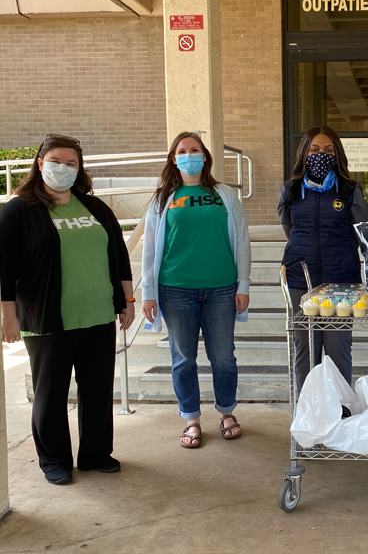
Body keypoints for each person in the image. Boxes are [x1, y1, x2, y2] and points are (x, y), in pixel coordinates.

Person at [0, 134, 134, 485]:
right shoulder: (18, 210)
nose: (63, 168)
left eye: (71, 163)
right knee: (51, 393)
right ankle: (54, 460)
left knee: (97, 390)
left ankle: (95, 454)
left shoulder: (95, 208)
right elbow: (4, 268)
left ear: (79, 169)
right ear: (40, 163)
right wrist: (8, 316)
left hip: (97, 315)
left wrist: (126, 302)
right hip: (47, 319)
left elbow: (119, 257)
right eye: (56, 161)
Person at [141, 132, 251, 449]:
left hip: (221, 288)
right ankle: (191, 419)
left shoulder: (225, 194)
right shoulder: (163, 197)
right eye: (182, 151)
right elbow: (149, 249)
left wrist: (243, 283)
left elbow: (242, 241)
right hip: (176, 289)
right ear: (173, 159)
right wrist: (148, 290)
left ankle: (227, 413)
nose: (189, 154)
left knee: (224, 357)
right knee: (183, 359)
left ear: (205, 156)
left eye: (195, 149)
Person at [279, 126, 366, 389]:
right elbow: (289, 229)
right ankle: (309, 415)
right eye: (314, 150)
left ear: (337, 155)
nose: (321, 155)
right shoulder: (291, 190)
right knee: (305, 351)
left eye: (328, 150)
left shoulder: (349, 190)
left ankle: (340, 412)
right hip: (300, 281)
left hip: (341, 284)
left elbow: (362, 233)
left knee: (338, 352)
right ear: (304, 154)